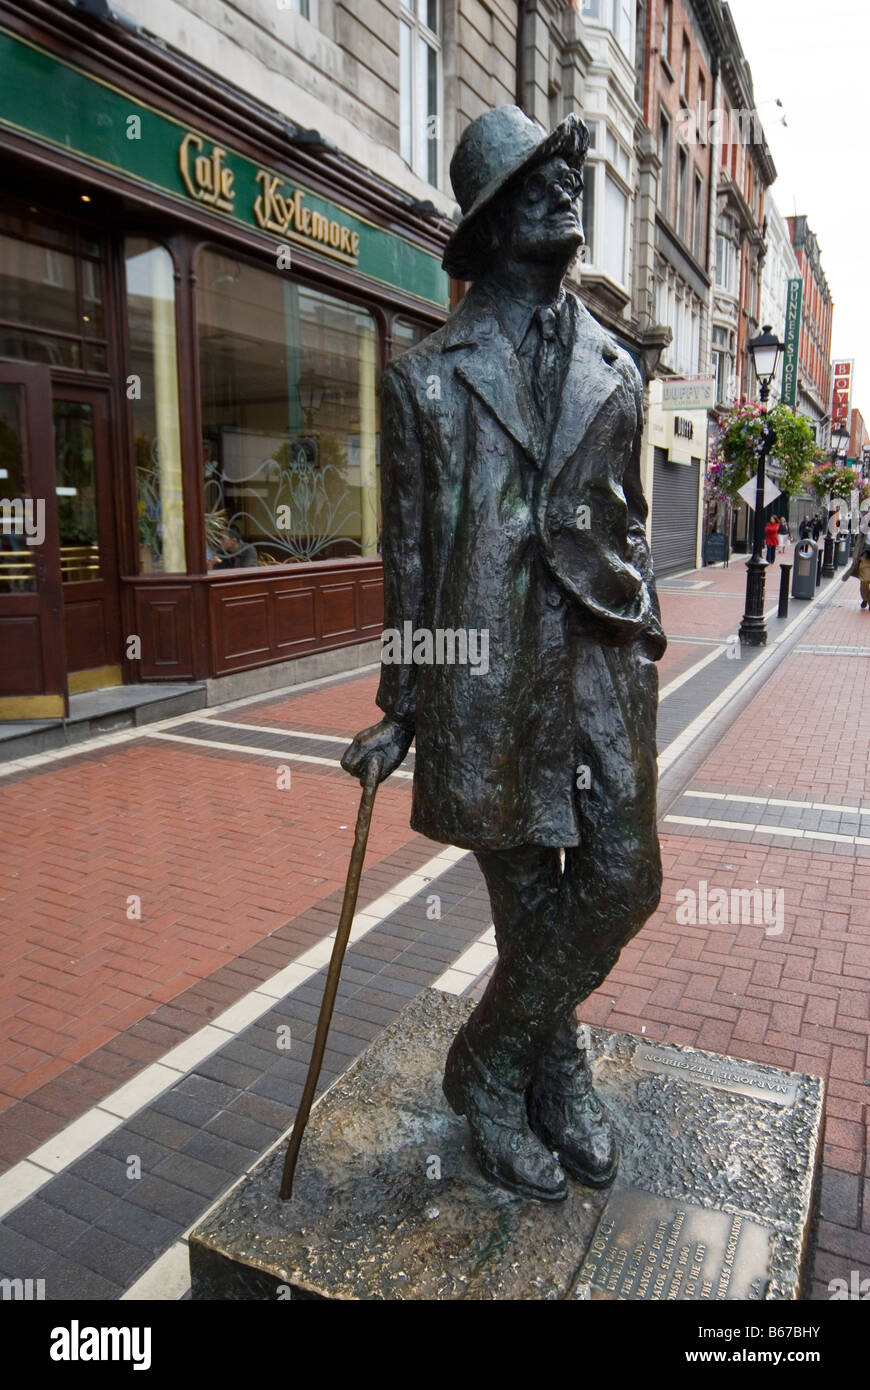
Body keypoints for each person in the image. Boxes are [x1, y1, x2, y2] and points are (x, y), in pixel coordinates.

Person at [342, 106, 665, 1203]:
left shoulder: (617, 364)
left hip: (600, 661)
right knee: (530, 900)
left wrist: (649, 629)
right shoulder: (425, 374)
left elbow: (626, 522)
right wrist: (401, 699)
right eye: (537, 182)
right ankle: (549, 1067)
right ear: (488, 220)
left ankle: (489, 1054)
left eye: (568, 175)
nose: (567, 192)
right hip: (487, 671)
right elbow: (414, 549)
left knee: (624, 878)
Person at [842, 530, 870, 608]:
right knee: (865, 579)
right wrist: (855, 555)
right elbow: (859, 541)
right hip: (866, 555)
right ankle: (865, 598)